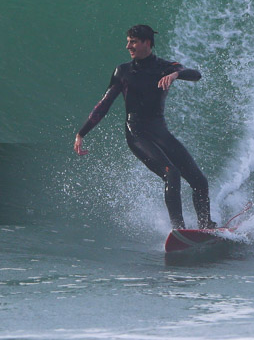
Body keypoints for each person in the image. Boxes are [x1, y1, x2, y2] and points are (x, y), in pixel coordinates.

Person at [74, 24, 215, 230]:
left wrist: (176, 75)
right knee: (171, 173)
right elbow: (104, 105)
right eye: (128, 41)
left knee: (200, 182)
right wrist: (81, 133)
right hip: (137, 133)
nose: (128, 46)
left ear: (146, 43)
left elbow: (195, 74)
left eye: (133, 42)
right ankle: (179, 229)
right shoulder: (123, 72)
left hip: (160, 131)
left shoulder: (165, 67)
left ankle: (205, 227)